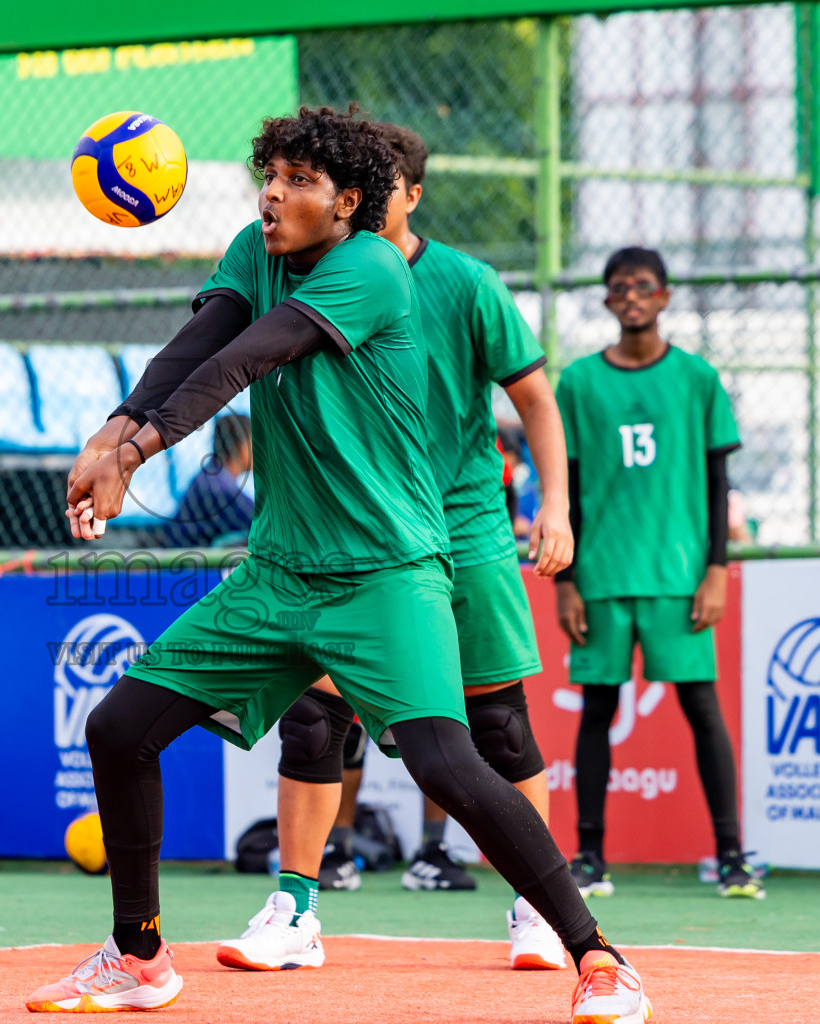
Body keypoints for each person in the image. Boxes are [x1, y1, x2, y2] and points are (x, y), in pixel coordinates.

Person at [27, 106, 651, 1024]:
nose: (273, 194)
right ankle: (139, 956)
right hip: (280, 574)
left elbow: (253, 356)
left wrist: (139, 450)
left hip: (385, 572)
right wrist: (115, 429)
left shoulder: (372, 268)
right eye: (268, 176)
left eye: (298, 181)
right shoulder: (255, 246)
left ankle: (598, 956)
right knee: (120, 728)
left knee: (448, 759)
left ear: (349, 202)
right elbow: (201, 342)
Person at [214, 121, 573, 975]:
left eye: (387, 188)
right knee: (313, 719)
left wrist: (553, 503)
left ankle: (540, 906)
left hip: (466, 527)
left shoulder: (465, 284)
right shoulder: (298, 272)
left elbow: (537, 398)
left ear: (407, 196)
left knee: (496, 726)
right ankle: (296, 907)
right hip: (356, 536)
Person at [554, 247, 759, 900]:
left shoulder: (697, 378)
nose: (631, 296)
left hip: (679, 577)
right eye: (619, 287)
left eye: (643, 286)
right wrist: (566, 579)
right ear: (608, 301)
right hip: (603, 576)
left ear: (665, 297)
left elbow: (720, 482)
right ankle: (589, 858)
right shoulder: (579, 382)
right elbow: (570, 482)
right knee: (597, 711)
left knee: (703, 709)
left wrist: (717, 570)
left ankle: (730, 856)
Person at [160, 413, 254, 547]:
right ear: (240, 445)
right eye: (254, 442)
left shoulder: (212, 475)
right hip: (182, 563)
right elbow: (259, 519)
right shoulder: (217, 486)